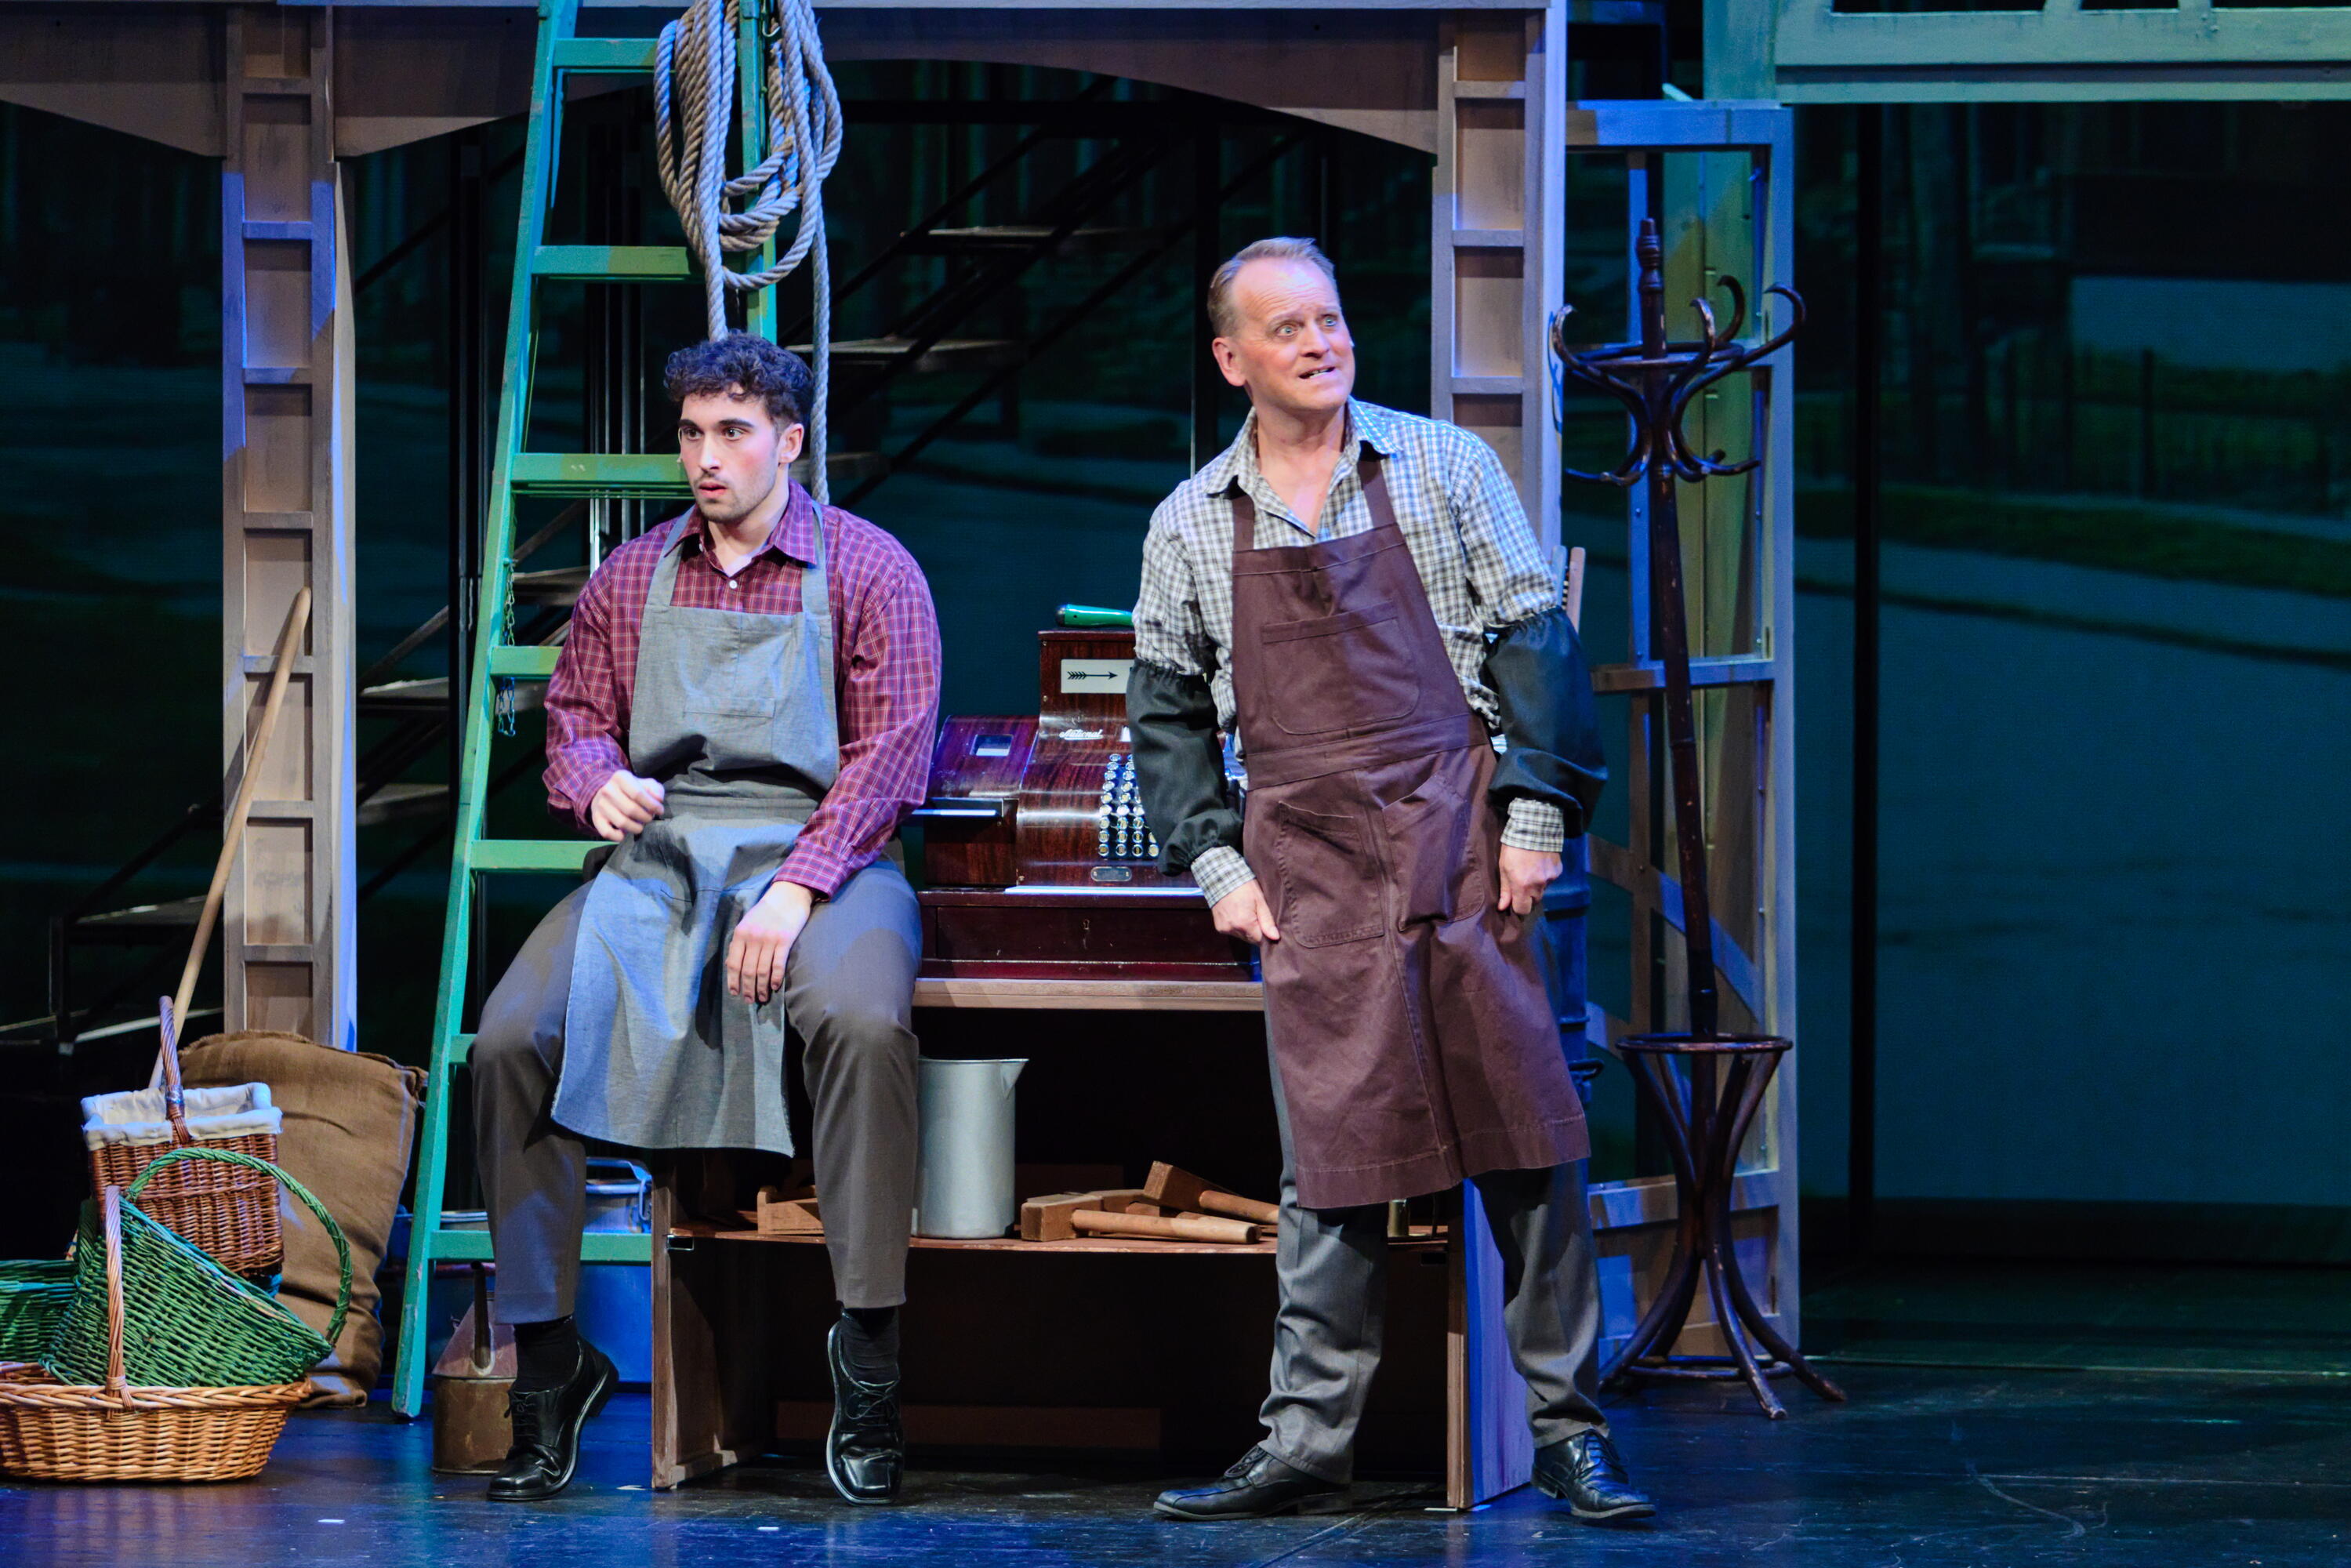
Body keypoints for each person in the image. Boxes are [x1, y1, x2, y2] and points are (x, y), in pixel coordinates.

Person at [1128, 238, 1651, 1523]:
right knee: (1334, 1158)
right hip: (1307, 862)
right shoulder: (1192, 520)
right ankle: (1305, 1442)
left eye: (1330, 318)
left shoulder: (1442, 466)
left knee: (1528, 1138)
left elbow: (1534, 640)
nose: (1320, 343)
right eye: (1287, 327)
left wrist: (1536, 817)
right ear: (1233, 359)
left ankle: (1571, 1434)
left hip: (1460, 832)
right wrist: (1218, 865)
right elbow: (1168, 713)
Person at [467, 334, 940, 1505]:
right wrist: (595, 785)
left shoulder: (872, 568)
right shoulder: (635, 574)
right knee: (512, 1039)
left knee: (863, 1024)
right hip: (667, 855)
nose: (706, 458)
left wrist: (797, 886)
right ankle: (551, 1363)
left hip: (829, 852)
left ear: (790, 441)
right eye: (691, 433)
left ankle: (869, 1360)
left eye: (733, 432)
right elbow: (576, 719)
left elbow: (890, 760)